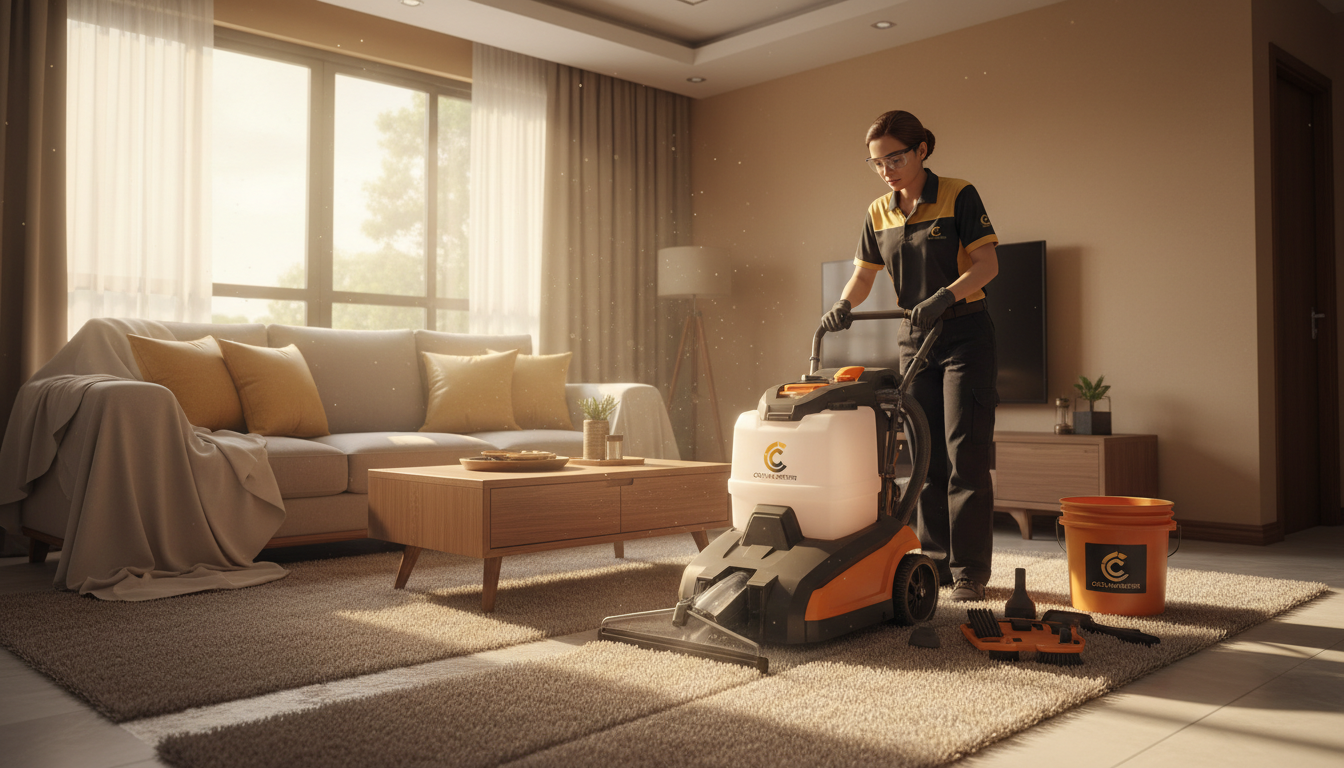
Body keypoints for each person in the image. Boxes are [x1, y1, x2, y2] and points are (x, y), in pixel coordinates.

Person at [821, 110, 1000, 602]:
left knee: (966, 453)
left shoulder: (959, 194)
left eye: (895, 157)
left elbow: (988, 264)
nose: (887, 170)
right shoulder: (878, 211)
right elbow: (863, 276)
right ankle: (935, 562)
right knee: (924, 456)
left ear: (922, 150)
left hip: (965, 333)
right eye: (877, 163)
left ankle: (969, 573)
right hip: (914, 337)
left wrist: (947, 295)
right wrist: (841, 304)